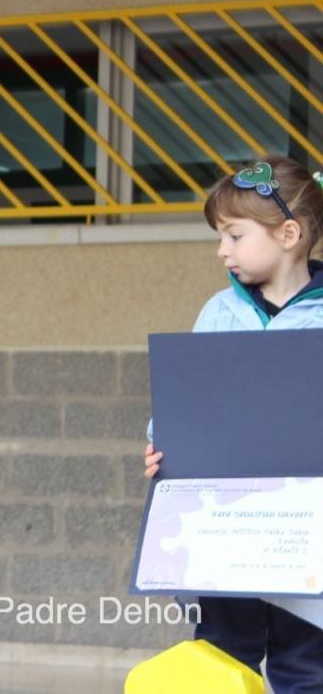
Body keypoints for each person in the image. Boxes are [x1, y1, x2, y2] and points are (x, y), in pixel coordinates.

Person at [144, 157, 323, 692]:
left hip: (305, 532)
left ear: (289, 234)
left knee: (306, 666)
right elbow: (187, 400)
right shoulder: (219, 311)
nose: (222, 250)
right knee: (224, 656)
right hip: (223, 525)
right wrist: (161, 445)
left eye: (234, 235)